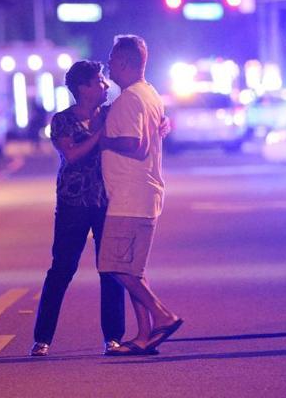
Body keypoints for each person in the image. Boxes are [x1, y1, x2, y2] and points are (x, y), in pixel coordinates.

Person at [31, 60, 126, 357]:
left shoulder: (113, 113)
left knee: (110, 269)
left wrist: (162, 124)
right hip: (73, 204)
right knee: (62, 269)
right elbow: (71, 155)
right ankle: (42, 338)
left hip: (106, 201)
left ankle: (113, 337)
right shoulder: (62, 121)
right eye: (99, 81)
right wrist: (99, 134)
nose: (105, 86)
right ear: (83, 88)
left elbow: (141, 124)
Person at [98, 35, 183, 356]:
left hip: (130, 197)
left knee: (113, 266)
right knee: (133, 269)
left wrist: (104, 141)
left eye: (111, 59)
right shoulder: (150, 95)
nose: (108, 65)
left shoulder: (132, 98)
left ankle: (163, 316)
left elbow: (136, 145)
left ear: (123, 63)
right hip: (140, 193)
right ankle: (145, 335)